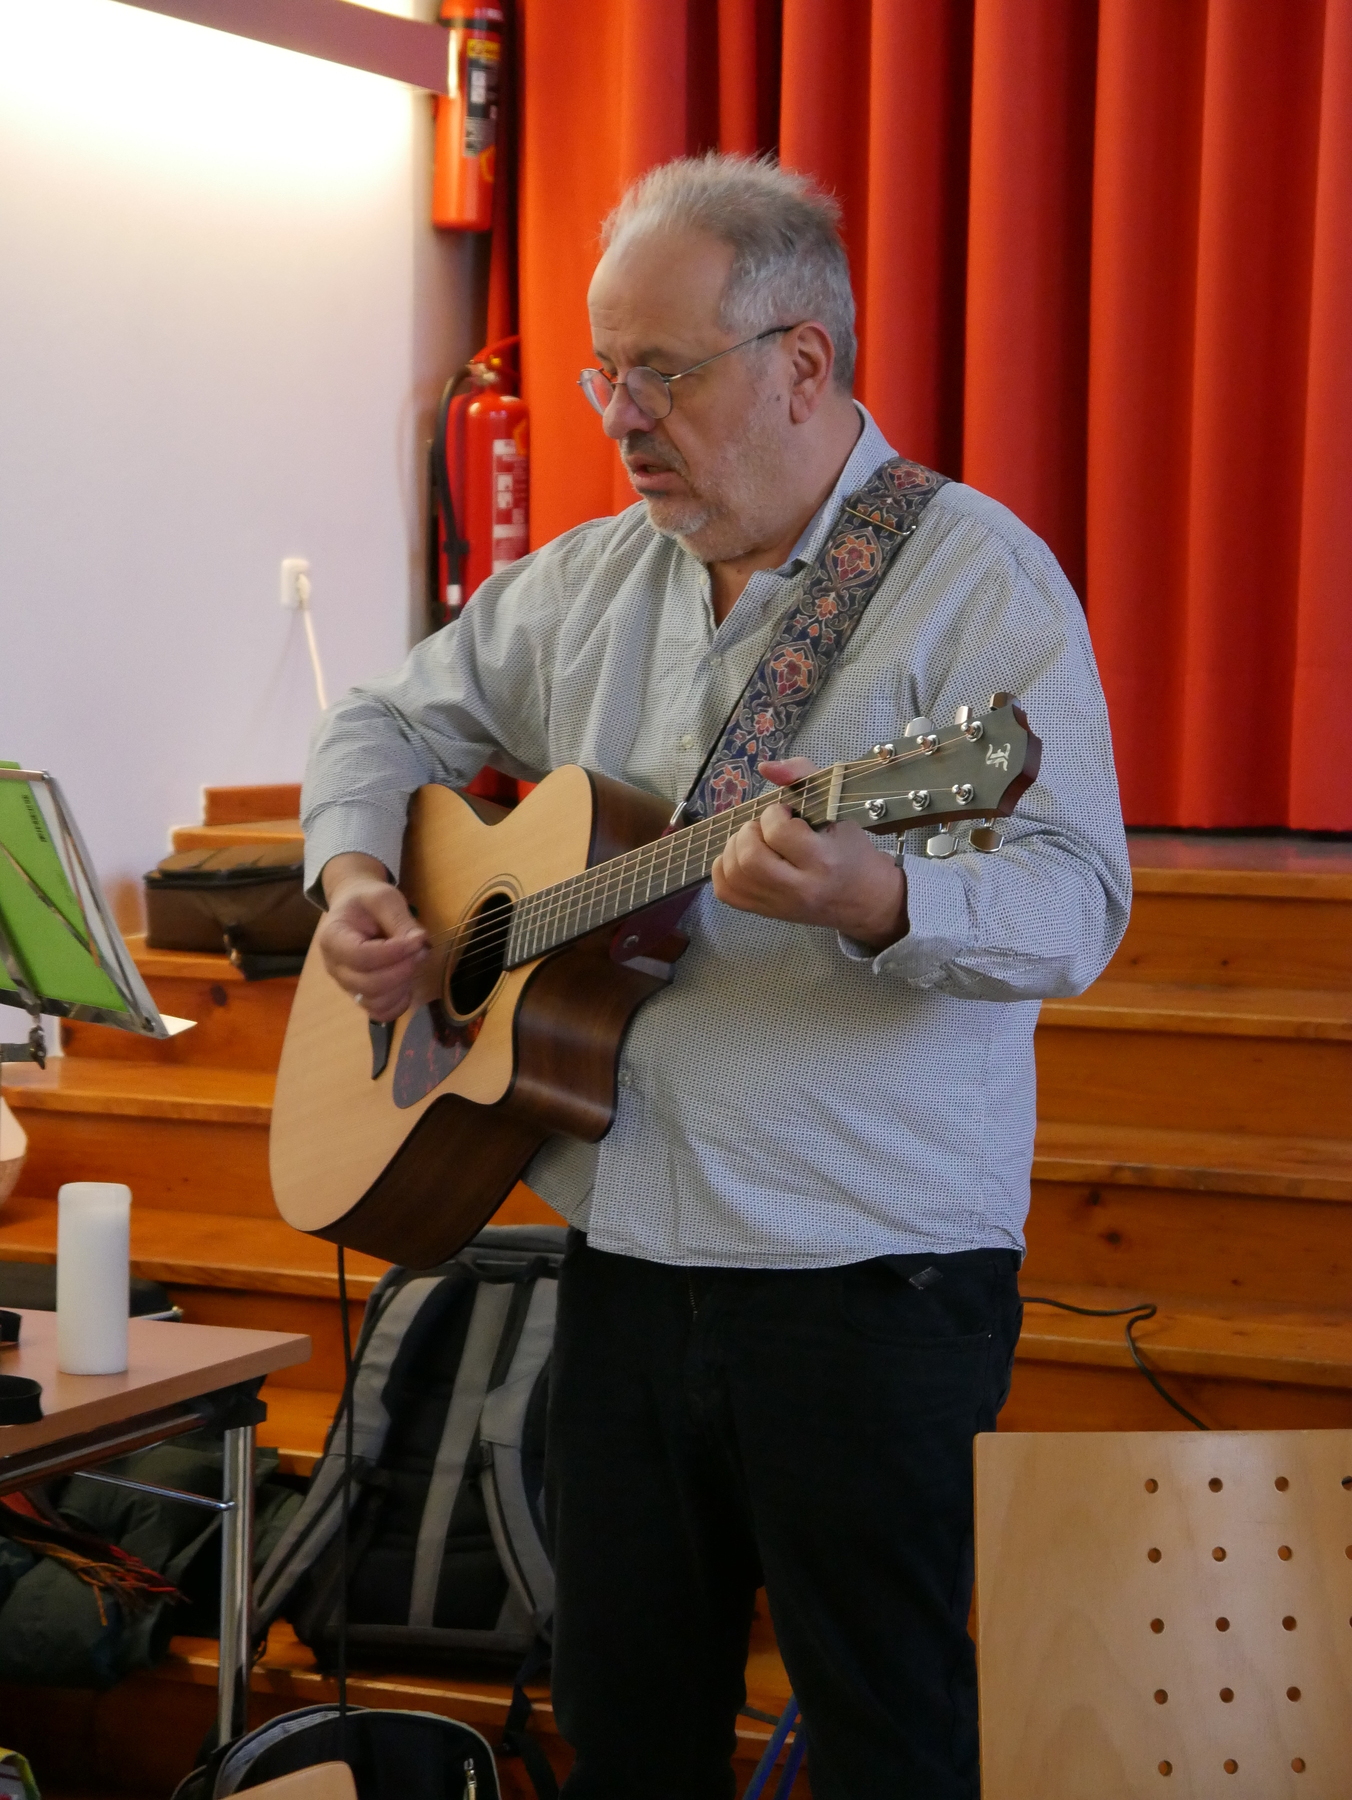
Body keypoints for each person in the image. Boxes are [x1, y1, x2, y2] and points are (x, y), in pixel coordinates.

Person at [302, 153, 1130, 1800]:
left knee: (890, 1745)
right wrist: (356, 875)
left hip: (868, 1277)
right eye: (605, 373)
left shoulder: (977, 579)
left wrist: (882, 891)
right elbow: (379, 720)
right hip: (625, 1259)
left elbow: (1079, 901)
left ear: (802, 363)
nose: (620, 417)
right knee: (629, 1738)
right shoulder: (594, 580)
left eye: (663, 373)